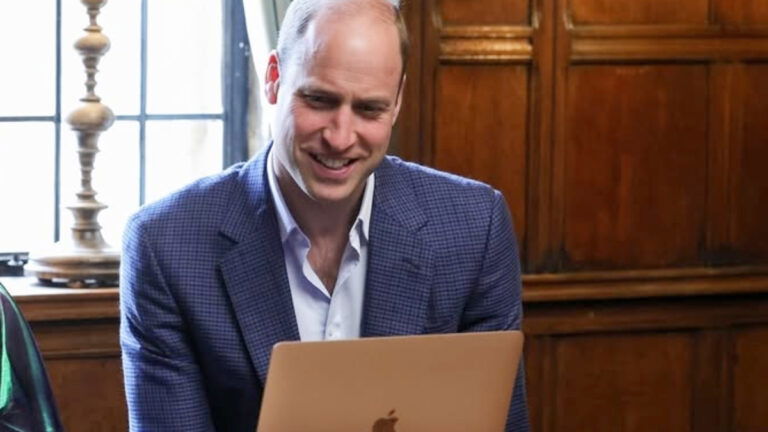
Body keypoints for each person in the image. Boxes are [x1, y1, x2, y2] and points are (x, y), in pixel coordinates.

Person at [120, 0, 529, 430]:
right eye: (319, 100)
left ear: (398, 101)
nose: (339, 137)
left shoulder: (474, 226)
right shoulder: (165, 244)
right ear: (274, 80)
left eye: (369, 109)